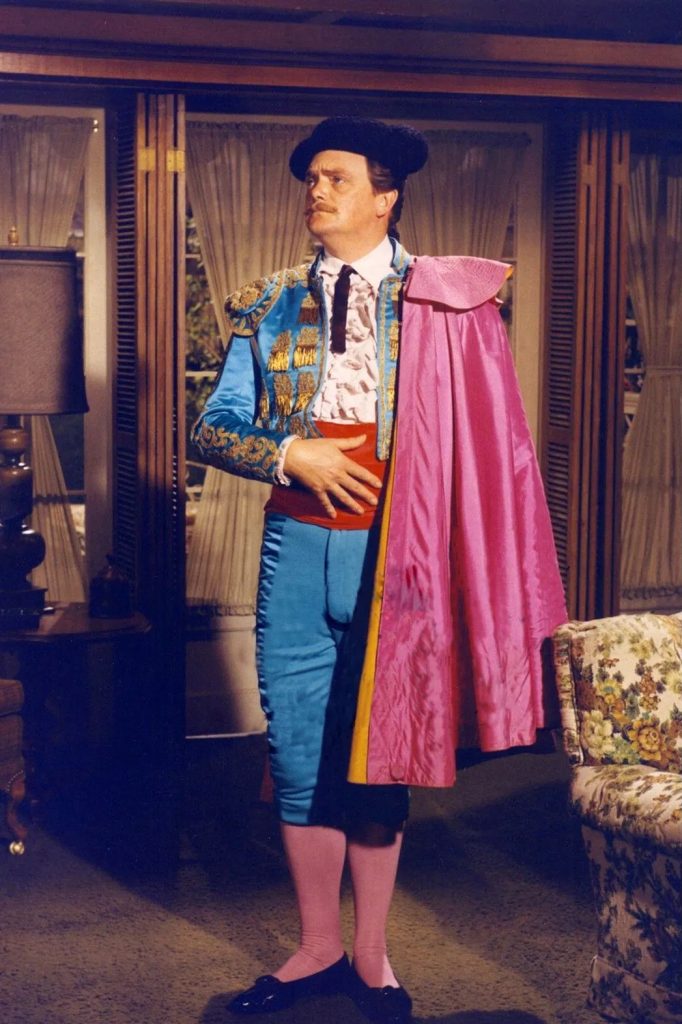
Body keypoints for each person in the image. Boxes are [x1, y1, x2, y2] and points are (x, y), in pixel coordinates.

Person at [193, 116, 566, 1024]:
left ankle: (371, 956)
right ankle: (317, 944)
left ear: (386, 196)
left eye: (336, 177)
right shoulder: (267, 302)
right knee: (297, 748)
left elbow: (487, 443)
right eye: (310, 179)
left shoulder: (444, 300)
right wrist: (293, 453)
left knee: (379, 749)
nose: (316, 191)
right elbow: (213, 426)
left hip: (400, 554)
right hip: (294, 547)